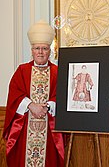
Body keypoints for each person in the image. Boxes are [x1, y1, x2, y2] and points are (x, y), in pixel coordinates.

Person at [3, 20, 64, 167]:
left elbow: (62, 95)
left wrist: (47, 106)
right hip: (25, 128)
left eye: (44, 48)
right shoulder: (22, 70)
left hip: (49, 127)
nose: (41, 52)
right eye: (37, 48)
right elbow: (14, 94)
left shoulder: (57, 71)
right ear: (32, 50)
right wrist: (31, 105)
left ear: (50, 51)